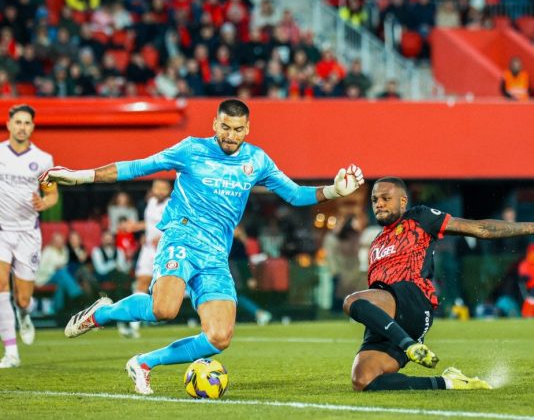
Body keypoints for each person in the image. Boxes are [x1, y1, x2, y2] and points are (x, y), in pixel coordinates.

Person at [39, 99, 364, 394]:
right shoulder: (191, 149)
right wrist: (80, 177)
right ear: (214, 124)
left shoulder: (257, 160)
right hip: (181, 236)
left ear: (247, 129)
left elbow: (295, 194)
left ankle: (143, 362)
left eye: (238, 129)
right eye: (225, 127)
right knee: (163, 309)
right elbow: (136, 167)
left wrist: (334, 191)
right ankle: (103, 313)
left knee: (219, 337)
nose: (230, 135)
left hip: (215, 254)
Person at [343, 177, 534, 392]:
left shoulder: (419, 217)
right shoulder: (377, 241)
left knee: (352, 301)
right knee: (363, 380)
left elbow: (480, 228)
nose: (379, 203)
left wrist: (530, 227)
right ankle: (450, 382)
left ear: (403, 201)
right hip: (391, 318)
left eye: (386, 198)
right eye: (375, 199)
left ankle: (410, 346)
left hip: (412, 299)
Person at [0, 104, 58, 368]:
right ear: (9, 124)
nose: (22, 127)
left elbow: (52, 194)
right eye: (18, 122)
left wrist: (44, 204)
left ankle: (24, 313)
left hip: (28, 234)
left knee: (23, 299)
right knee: (1, 284)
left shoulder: (44, 159)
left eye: (27, 123)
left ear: (32, 127)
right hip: (2, 231)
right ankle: (11, 352)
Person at [123, 179, 172, 338]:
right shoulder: (150, 202)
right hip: (148, 250)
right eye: (157, 187)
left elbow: (178, 224)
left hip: (164, 250)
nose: (159, 191)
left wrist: (163, 236)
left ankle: (155, 316)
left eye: (163, 188)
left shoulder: (172, 205)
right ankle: (133, 325)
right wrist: (135, 226)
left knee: (163, 286)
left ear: (169, 190)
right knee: (141, 282)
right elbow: (150, 223)